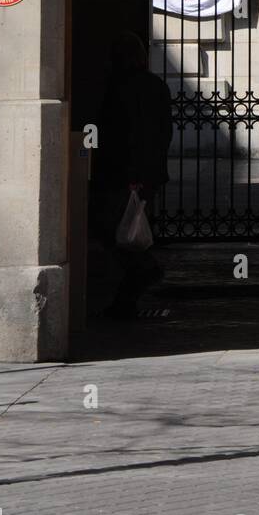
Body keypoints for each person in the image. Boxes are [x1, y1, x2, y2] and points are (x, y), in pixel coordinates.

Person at [90, 31, 173, 319]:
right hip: (145, 173)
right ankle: (127, 297)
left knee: (118, 233)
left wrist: (132, 173)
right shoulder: (155, 86)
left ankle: (142, 275)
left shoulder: (120, 87)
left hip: (123, 174)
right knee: (128, 231)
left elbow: (127, 134)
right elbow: (162, 134)